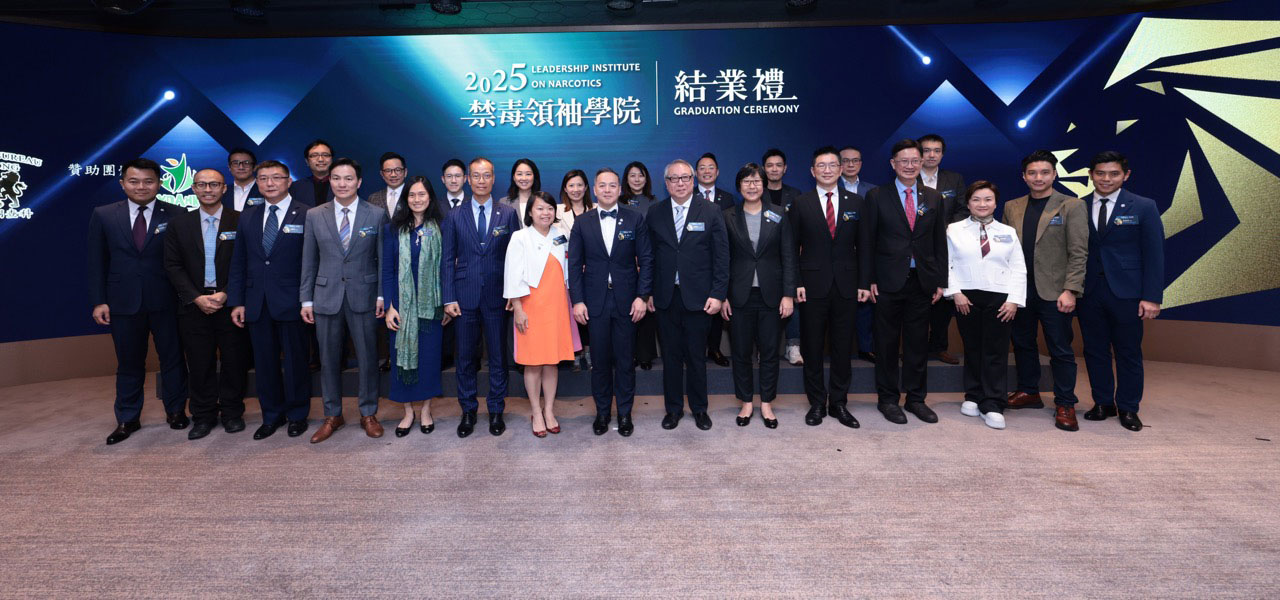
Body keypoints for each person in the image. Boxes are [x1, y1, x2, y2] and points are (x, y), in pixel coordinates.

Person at [88, 158, 190, 445]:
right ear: (122, 184)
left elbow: (184, 260)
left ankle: (175, 411)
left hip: (167, 299)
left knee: (173, 358)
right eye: (134, 181)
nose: (141, 186)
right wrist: (99, 301)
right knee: (129, 362)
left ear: (159, 183)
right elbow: (96, 261)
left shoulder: (177, 213)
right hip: (122, 301)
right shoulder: (104, 214)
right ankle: (127, 418)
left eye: (148, 181)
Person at [862, 139, 949, 425]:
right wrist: (869, 278)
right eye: (903, 161)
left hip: (922, 281)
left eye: (915, 160)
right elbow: (867, 241)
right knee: (886, 344)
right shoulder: (877, 195)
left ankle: (916, 399)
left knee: (917, 344)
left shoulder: (934, 197)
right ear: (893, 164)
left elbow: (939, 242)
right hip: (887, 281)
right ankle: (888, 399)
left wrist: (941, 280)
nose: (909, 166)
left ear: (922, 162)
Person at [300, 158, 387, 443]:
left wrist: (381, 294)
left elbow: (383, 259)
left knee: (368, 358)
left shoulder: (376, 214)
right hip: (326, 297)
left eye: (348, 178)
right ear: (330, 181)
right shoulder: (315, 215)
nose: (342, 183)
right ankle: (332, 415)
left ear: (359, 182)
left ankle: (368, 413)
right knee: (328, 360)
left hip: (364, 295)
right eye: (336, 178)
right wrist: (306, 300)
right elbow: (309, 260)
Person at [1078, 151, 1164, 432]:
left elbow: (1154, 254)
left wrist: (1152, 296)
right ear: (1091, 175)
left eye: (1113, 173)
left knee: (1128, 352)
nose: (1106, 179)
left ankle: (1128, 407)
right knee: (1094, 350)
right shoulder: (1077, 206)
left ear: (1126, 175)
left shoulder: (1144, 206)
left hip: (1128, 293)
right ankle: (1103, 403)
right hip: (1089, 291)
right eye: (1100, 173)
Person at [1002, 150, 1088, 432]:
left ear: (1054, 174)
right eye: (1032, 173)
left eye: (1044, 172)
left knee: (1060, 349)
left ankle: (1065, 402)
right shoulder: (1012, 206)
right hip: (1020, 291)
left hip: (1056, 292)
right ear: (1023, 176)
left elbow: (1079, 252)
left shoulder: (1072, 205)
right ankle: (1029, 391)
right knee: (1023, 343)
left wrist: (1071, 289)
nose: (1038, 177)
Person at [228, 160, 312, 440]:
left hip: (293, 301)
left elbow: (312, 261)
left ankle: (297, 415)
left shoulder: (307, 214)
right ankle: (271, 416)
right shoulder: (248, 216)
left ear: (289, 181)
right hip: (256, 302)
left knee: (296, 362)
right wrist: (238, 301)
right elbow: (239, 261)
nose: (270, 183)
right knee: (264, 364)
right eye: (263, 178)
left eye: (276, 177)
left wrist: (308, 300)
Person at [164, 168, 250, 439]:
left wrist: (226, 293)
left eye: (214, 184)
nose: (208, 190)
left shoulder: (241, 220)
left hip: (230, 304)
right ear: (193, 189)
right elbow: (172, 265)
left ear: (224, 188)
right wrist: (196, 297)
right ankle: (203, 416)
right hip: (194, 305)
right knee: (199, 363)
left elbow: (248, 263)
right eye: (201, 185)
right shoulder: (179, 224)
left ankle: (232, 413)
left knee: (234, 361)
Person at [647, 159, 729, 431]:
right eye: (674, 178)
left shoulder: (711, 210)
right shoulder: (655, 212)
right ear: (666, 183)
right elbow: (649, 257)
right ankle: (673, 410)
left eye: (685, 178)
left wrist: (718, 294)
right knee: (670, 357)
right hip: (665, 296)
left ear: (693, 180)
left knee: (696, 357)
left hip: (700, 298)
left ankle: (699, 408)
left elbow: (722, 256)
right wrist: (647, 292)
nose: (680, 183)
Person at [569, 168, 652, 437]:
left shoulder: (634, 218)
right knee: (600, 361)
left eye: (612, 185)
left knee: (626, 361)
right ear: (594, 189)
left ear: (619, 189)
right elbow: (574, 265)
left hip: (628, 301)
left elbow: (646, 260)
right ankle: (602, 413)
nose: (607, 190)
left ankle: (625, 413)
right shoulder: (582, 222)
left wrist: (642, 296)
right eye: (602, 185)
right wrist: (577, 301)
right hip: (595, 302)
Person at [442, 157, 521, 437]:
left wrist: (514, 293)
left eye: (486, 175)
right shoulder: (454, 215)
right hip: (464, 297)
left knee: (498, 356)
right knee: (465, 358)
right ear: (468, 179)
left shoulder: (507, 214)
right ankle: (468, 410)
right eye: (476, 175)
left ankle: (496, 409)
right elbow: (447, 259)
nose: (481, 181)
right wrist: (448, 297)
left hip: (498, 296)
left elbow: (516, 257)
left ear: (493, 178)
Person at [791, 147, 863, 429]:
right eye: (821, 165)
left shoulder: (856, 202)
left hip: (846, 285)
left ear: (841, 169)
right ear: (813, 171)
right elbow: (791, 247)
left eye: (833, 165)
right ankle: (817, 403)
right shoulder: (801, 203)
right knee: (812, 346)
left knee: (843, 347)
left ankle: (839, 403)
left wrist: (863, 282)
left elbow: (864, 246)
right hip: (811, 286)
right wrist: (796, 282)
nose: (827, 170)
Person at [945, 181, 1026, 430]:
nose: (982, 204)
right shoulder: (953, 230)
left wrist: (1014, 300)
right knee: (972, 348)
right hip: (966, 297)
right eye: (976, 199)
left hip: (1000, 299)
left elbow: (1018, 268)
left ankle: (993, 403)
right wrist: (955, 292)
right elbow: (946, 263)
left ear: (995, 202)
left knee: (995, 351)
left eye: (988, 199)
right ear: (968, 203)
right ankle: (973, 395)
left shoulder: (1008, 232)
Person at [721, 163, 796, 429]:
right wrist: (722, 295)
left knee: (769, 352)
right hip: (738, 295)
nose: (752, 186)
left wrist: (788, 294)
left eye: (757, 181)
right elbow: (722, 259)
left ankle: (766, 403)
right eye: (746, 181)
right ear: (738, 186)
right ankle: (746, 402)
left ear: (764, 185)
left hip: (771, 295)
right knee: (741, 352)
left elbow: (788, 256)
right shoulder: (728, 215)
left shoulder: (779, 214)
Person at [504, 192, 576, 437]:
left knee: (551, 361)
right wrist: (518, 308)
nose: (546, 213)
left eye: (549, 208)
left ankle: (549, 410)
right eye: (540, 209)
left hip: (557, 304)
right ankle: (536, 411)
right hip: (531, 305)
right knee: (533, 363)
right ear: (530, 213)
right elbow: (512, 274)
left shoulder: (561, 235)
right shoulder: (520, 237)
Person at [383, 176, 446, 437]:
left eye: (422, 194)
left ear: (430, 197)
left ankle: (426, 410)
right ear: (405, 198)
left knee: (429, 359)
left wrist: (445, 303)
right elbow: (388, 270)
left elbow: (445, 268)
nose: (417, 199)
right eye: (412, 195)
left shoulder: (441, 226)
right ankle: (408, 411)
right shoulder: (393, 229)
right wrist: (389, 306)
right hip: (402, 307)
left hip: (431, 308)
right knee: (402, 358)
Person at [917, 133, 967, 365]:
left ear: (942, 154)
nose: (931, 155)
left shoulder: (954, 179)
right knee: (917, 297)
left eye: (936, 151)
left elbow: (963, 209)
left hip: (946, 246)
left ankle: (939, 346)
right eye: (926, 150)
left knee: (944, 297)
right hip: (915, 247)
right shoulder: (908, 177)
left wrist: (946, 229)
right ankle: (916, 347)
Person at [761, 148, 804, 366]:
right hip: (764, 256)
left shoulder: (795, 195)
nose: (774, 169)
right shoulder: (757, 192)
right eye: (770, 165)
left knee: (792, 298)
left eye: (778, 165)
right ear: (764, 169)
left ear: (785, 168)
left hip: (790, 255)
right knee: (765, 302)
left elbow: (801, 227)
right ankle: (765, 347)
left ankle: (793, 346)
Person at [695, 152, 736, 367]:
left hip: (719, 259)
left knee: (717, 302)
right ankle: (695, 349)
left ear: (717, 172)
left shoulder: (727, 198)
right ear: (695, 173)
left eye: (711, 167)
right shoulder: (687, 195)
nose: (707, 171)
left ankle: (714, 348)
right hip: (695, 261)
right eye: (702, 167)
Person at [839, 145, 878, 363]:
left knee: (865, 302)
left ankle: (866, 347)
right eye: (845, 160)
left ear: (861, 164)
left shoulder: (873, 191)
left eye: (855, 160)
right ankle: (840, 349)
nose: (850, 164)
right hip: (838, 255)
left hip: (866, 253)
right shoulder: (828, 188)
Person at [621, 160, 658, 371]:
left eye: (641, 175)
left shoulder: (654, 202)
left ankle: (645, 355)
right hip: (624, 264)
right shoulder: (618, 202)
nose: (637, 179)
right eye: (632, 175)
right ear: (626, 179)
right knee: (626, 311)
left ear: (646, 178)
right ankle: (629, 354)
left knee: (646, 308)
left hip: (647, 262)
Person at [555, 169, 594, 371]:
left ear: (586, 187)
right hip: (568, 268)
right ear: (565, 188)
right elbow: (555, 240)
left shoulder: (596, 208)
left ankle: (589, 350)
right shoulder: (557, 211)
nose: (576, 189)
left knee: (592, 310)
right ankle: (575, 352)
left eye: (580, 185)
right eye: (571, 185)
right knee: (572, 310)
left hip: (594, 268)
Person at [438, 158, 468, 370]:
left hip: (468, 269)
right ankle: (445, 357)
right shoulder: (434, 205)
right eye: (449, 176)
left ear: (465, 179)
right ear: (443, 179)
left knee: (469, 317)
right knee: (445, 314)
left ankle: (471, 359)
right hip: (443, 268)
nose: (454, 180)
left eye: (458, 176)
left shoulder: (474, 204)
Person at [289, 139, 335, 207]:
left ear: (332, 159)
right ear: (307, 161)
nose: (320, 159)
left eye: (325, 155)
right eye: (314, 155)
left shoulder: (344, 184)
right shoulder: (295, 187)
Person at [500, 158, 540, 226]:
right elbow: (501, 229)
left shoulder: (544, 201)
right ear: (514, 177)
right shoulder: (504, 203)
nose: (524, 178)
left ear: (534, 176)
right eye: (519, 174)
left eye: (528, 174)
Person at [368, 151, 407, 219]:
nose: (393, 175)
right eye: (388, 171)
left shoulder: (414, 196)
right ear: (382, 174)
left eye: (398, 170)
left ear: (405, 172)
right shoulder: (373, 198)